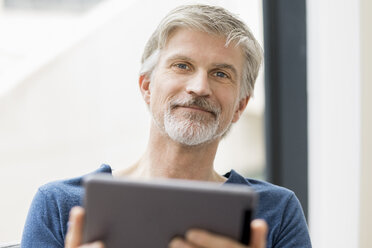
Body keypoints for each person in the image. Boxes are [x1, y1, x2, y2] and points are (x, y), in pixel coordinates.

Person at [21, 4, 311, 248]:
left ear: (240, 107)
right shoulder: (58, 206)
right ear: (147, 86)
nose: (199, 87)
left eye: (220, 73)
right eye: (182, 66)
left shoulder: (278, 211)